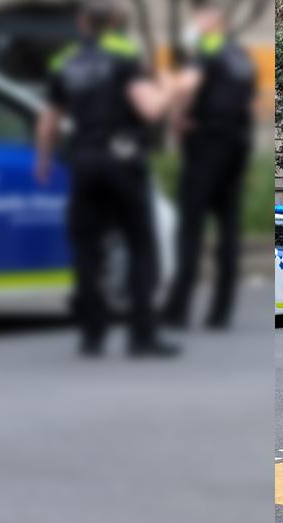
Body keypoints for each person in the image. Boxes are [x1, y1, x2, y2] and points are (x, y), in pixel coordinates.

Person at [35, 0, 179, 357]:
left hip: (83, 164)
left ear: (83, 24)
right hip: (122, 163)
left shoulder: (65, 62)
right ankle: (142, 336)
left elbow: (49, 119)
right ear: (113, 23)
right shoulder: (124, 58)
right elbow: (150, 108)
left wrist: (43, 162)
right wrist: (169, 88)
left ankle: (92, 335)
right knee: (140, 246)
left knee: (87, 249)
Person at [162, 0, 256, 330]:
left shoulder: (208, 49)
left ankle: (177, 308)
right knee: (228, 231)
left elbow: (185, 87)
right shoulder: (240, 56)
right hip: (235, 149)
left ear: (209, 17)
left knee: (190, 229)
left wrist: (176, 121)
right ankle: (221, 310)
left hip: (206, 148)